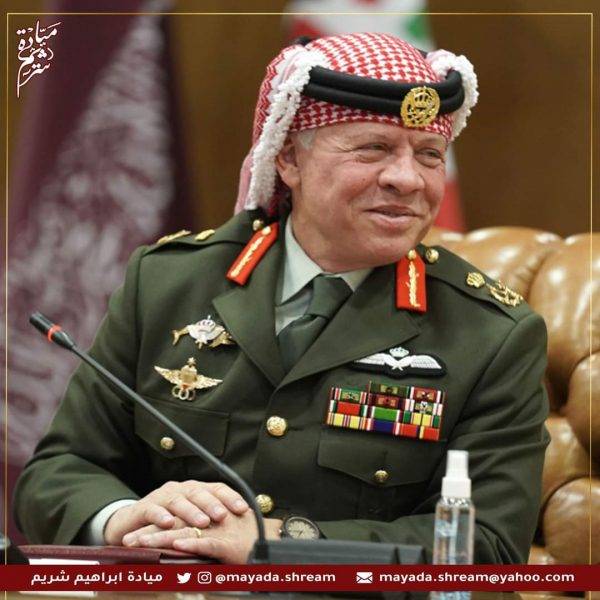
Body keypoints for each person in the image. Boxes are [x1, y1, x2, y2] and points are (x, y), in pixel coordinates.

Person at [14, 32, 549, 564]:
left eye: (430, 155)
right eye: (374, 149)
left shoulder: (491, 333)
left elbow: (488, 547)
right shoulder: (168, 283)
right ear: (289, 160)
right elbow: (57, 473)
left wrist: (285, 544)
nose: (407, 179)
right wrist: (123, 517)